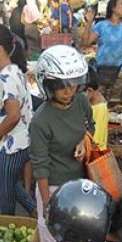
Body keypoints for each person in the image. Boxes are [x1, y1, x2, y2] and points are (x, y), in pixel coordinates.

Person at [0, 25, 36, 216]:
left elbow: (13, 116)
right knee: (10, 183)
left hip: (13, 145)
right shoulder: (13, 70)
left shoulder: (7, 76)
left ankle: (8, 227)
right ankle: (37, 214)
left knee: (5, 195)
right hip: (21, 141)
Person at [31, 45, 90, 216]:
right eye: (61, 85)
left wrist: (83, 141)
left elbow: (90, 125)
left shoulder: (81, 102)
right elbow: (40, 166)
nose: (69, 91)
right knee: (52, 237)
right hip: (53, 186)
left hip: (80, 181)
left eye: (73, 84)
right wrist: (46, 203)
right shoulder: (40, 121)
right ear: (48, 85)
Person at [82, 0, 122, 90]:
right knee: (100, 101)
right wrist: (89, 23)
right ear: (113, 8)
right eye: (121, 4)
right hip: (100, 70)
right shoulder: (101, 26)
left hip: (119, 71)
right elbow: (85, 43)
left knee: (115, 101)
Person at [85, 67, 108, 149]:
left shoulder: (99, 109)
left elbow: (94, 141)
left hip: (94, 154)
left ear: (89, 91)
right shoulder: (93, 104)